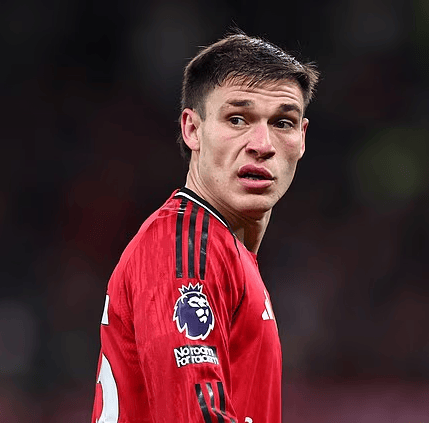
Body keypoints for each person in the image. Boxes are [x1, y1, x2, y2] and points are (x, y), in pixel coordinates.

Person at [91, 31, 319, 423]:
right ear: (192, 129)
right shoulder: (185, 246)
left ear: (301, 138)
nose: (262, 144)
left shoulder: (220, 249)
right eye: (237, 119)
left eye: (283, 122)